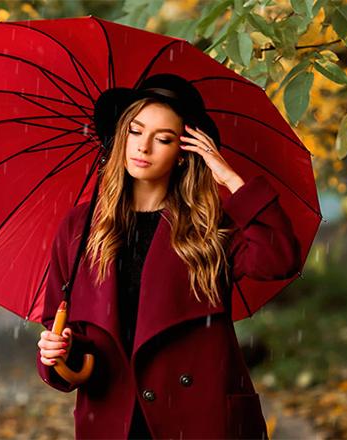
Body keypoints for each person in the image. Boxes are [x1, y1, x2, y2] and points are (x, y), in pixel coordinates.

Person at [36, 74, 301, 439]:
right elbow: (65, 328)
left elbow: (279, 258)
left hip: (198, 417)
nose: (143, 147)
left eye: (163, 139)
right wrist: (57, 350)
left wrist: (230, 178)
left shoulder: (210, 227)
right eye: (134, 131)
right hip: (115, 416)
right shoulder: (80, 228)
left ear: (183, 153)